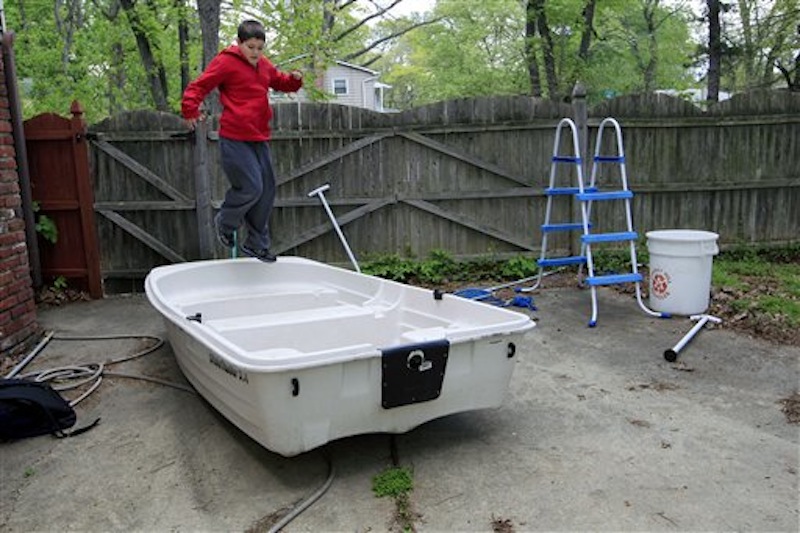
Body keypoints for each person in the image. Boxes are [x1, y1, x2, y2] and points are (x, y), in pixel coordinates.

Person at [181, 19, 303, 262]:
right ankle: (225, 222)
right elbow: (199, 85)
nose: (255, 53)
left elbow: (280, 82)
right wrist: (190, 109)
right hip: (235, 138)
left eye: (260, 48)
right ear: (239, 43)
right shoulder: (226, 62)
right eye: (251, 47)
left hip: (258, 137)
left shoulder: (264, 65)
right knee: (251, 187)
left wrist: (295, 79)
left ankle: (257, 244)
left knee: (266, 190)